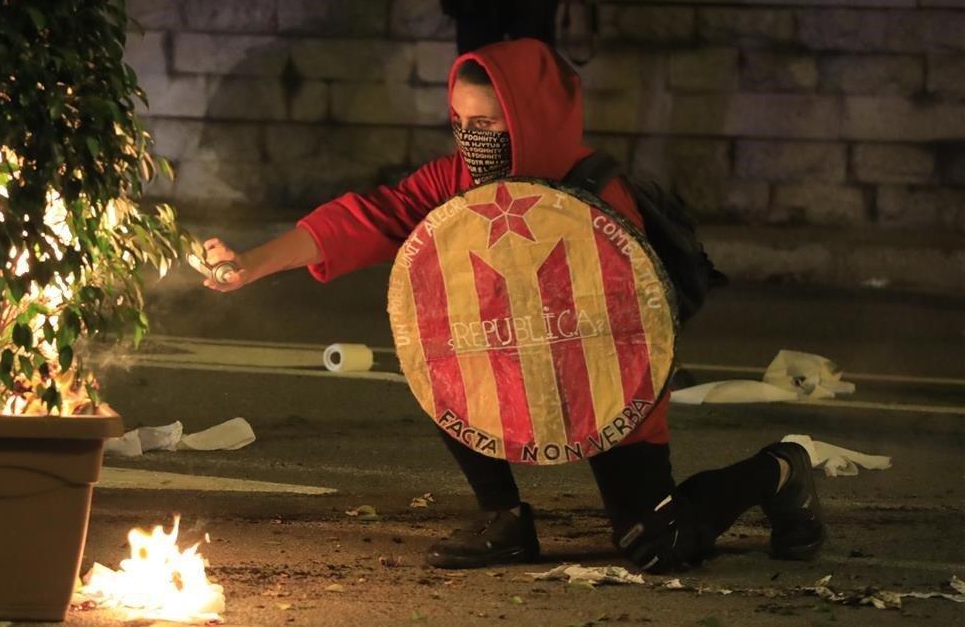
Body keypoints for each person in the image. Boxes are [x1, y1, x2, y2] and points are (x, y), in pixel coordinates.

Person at [200, 38, 826, 572]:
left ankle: (781, 471)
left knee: (653, 544)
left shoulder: (594, 196)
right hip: (501, 362)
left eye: (489, 125)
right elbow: (369, 218)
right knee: (444, 352)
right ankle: (501, 517)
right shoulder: (457, 182)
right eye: (460, 122)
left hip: (603, 381)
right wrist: (253, 262)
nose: (472, 139)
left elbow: (632, 319)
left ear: (528, 120)